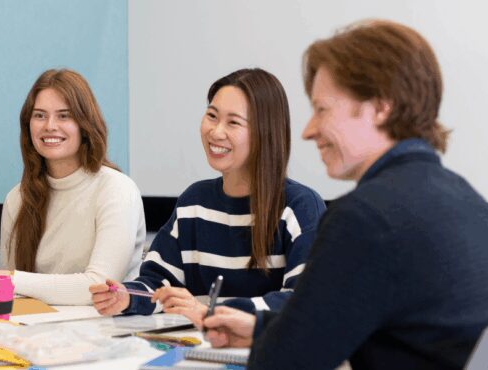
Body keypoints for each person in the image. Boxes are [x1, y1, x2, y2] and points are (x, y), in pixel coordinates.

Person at [202, 20, 488, 369]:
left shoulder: (366, 216)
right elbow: (348, 329)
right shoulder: (469, 202)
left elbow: (284, 363)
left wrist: (270, 343)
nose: (308, 131)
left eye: (322, 109)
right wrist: (262, 328)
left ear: (380, 107)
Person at [90, 68, 326, 319]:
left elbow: (304, 299)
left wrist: (212, 312)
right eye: (212, 116)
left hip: (260, 352)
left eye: (233, 122)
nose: (216, 132)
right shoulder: (194, 202)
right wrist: (127, 297)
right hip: (198, 349)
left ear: (263, 132)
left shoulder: (299, 207)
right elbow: (157, 282)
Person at [0, 69, 145, 305]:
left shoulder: (116, 189)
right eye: (40, 116)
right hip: (36, 332)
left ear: (85, 124)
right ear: (28, 125)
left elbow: (97, 287)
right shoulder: (18, 198)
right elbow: (12, 295)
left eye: (64, 116)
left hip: (105, 333)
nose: (50, 126)